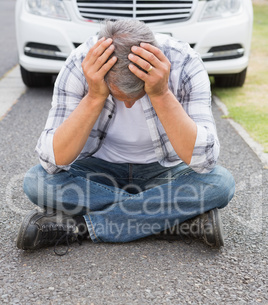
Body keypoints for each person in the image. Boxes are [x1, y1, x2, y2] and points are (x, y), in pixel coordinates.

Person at [16, 19, 235, 254]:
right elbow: (52, 160)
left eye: (137, 95)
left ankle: (79, 227)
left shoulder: (186, 62)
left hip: (164, 172)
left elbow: (205, 160)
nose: (129, 104)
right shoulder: (79, 63)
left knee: (219, 184)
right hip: (97, 173)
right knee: (37, 182)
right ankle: (174, 220)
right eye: (119, 96)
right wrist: (94, 97)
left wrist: (160, 94)